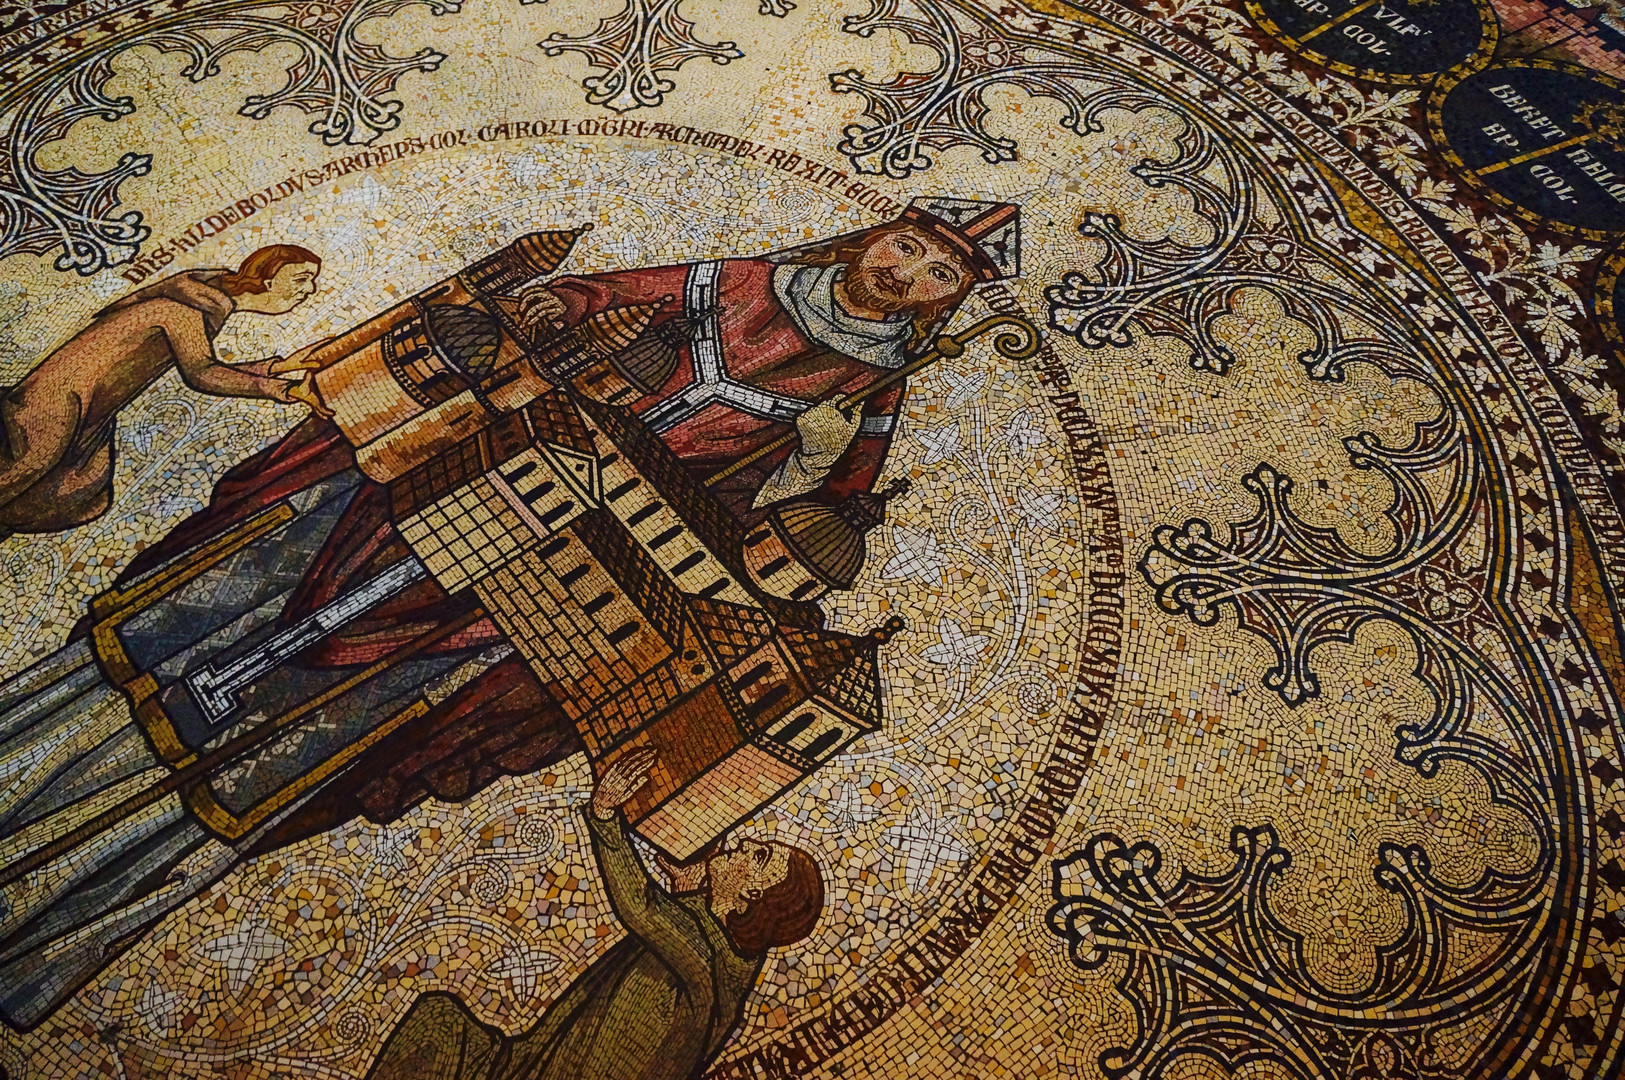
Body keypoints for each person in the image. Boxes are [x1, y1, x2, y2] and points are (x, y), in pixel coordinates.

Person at [0, 199, 1020, 1030]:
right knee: (222, 605)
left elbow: (806, 540)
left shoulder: (871, 394)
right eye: (907, 247)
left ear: (947, 302)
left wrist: (799, 486)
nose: (905, 274)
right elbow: (584, 298)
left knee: (325, 729)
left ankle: (60, 916)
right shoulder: (736, 282)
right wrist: (545, 315)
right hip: (452, 469)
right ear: (874, 235)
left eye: (937, 274)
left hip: (553, 575)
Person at [363, 748, 825, 1080]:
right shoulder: (731, 968)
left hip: (533, 1072)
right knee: (443, 1023)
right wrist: (689, 895)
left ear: (749, 897)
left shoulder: (700, 964)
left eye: (760, 857)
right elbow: (687, 935)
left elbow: (642, 907)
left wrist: (604, 814)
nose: (746, 843)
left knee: (438, 1029)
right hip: (536, 1058)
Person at [0, 244, 326, 538]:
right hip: (59, 398)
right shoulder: (184, 309)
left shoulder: (204, 305)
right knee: (22, 473)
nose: (309, 289)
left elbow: (203, 365)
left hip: (95, 413)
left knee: (81, 495)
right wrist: (283, 389)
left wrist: (280, 367)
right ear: (267, 279)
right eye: (301, 279)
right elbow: (201, 374)